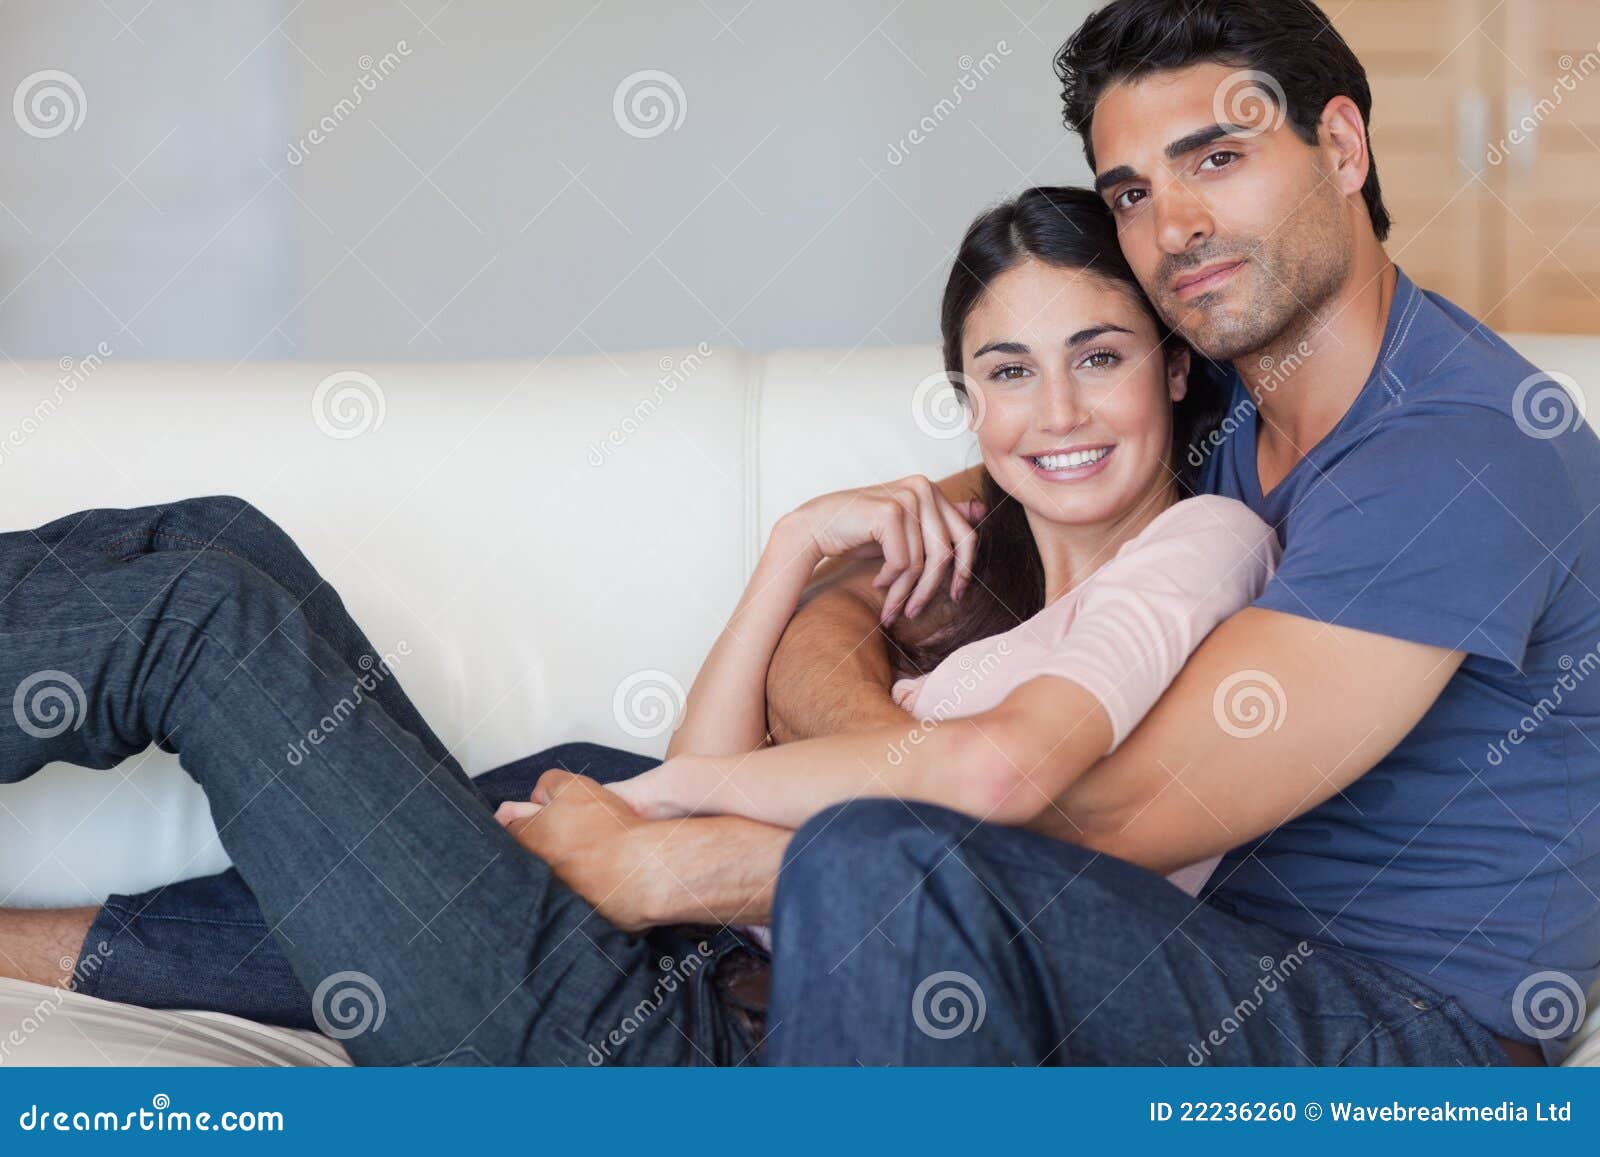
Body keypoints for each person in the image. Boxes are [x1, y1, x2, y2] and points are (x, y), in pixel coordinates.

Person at [0, 187, 1266, 1066]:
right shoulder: (987, 609)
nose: (1056, 410)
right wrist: (787, 555)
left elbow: (986, 776)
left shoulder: (1202, 544)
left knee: (200, 611)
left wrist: (666, 807)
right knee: (222, 540)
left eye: (1098, 357)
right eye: (1007, 371)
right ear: (968, 401)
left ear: (1169, 368)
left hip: (686, 1053)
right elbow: (718, 747)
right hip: (658, 966)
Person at [754, 0, 1600, 1066]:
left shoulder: (1461, 453)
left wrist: (706, 858)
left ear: (1340, 148)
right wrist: (871, 729)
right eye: (1133, 193)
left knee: (876, 866)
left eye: (1219, 157)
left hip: (1410, 1049)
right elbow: (863, 574)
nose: (1174, 226)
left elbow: (1103, 817)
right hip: (1173, 956)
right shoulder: (1210, 403)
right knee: (557, 781)